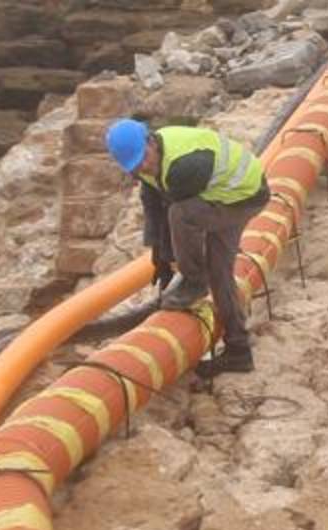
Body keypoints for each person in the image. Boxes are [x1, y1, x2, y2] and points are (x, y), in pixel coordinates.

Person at [106, 118, 271, 377]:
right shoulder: (147, 165)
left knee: (181, 215)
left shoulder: (183, 166)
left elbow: (178, 217)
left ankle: (194, 282)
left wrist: (179, 264)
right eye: (136, 167)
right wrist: (159, 258)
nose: (143, 167)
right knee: (220, 274)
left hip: (244, 197)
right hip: (223, 195)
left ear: (151, 141)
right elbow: (152, 207)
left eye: (144, 158)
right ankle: (239, 350)